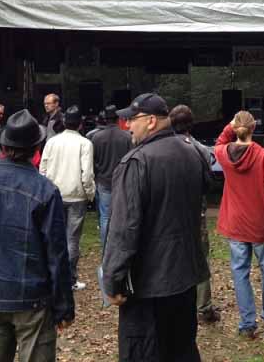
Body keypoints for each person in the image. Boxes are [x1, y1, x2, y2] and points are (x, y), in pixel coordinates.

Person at [0, 110, 75, 362]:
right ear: (36, 148)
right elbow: (57, 253)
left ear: (2, 146)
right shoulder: (44, 190)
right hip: (27, 299)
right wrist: (63, 305)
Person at [103, 93, 210, 361]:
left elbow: (123, 229)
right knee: (182, 349)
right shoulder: (194, 152)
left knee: (145, 352)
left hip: (148, 284)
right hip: (185, 277)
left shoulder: (136, 162)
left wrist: (113, 280)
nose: (128, 126)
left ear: (151, 121)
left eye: (132, 119)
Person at [215, 110, 264, 339]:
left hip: (235, 222)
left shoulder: (224, 153)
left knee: (240, 272)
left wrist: (229, 127)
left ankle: (247, 323)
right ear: (254, 128)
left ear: (235, 128)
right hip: (259, 221)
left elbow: (219, 142)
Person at [169, 104, 220, 325]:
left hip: (169, 210)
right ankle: (203, 306)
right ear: (192, 124)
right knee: (200, 256)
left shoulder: (162, 148)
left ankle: (175, 303)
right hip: (195, 209)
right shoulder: (201, 149)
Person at [40, 105, 94, 291]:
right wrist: (90, 194)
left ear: (63, 122)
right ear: (80, 124)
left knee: (55, 235)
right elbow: (87, 174)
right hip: (76, 195)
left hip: (55, 193)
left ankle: (54, 276)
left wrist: (45, 189)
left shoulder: (52, 142)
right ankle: (69, 279)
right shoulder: (85, 144)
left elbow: (43, 168)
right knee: (72, 239)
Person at [89, 104, 131, 250]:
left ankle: (106, 250)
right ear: (118, 118)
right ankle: (122, 248)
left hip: (103, 181)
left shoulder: (96, 137)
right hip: (123, 181)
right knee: (123, 216)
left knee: (105, 217)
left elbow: (93, 160)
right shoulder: (127, 137)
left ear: (105, 119)